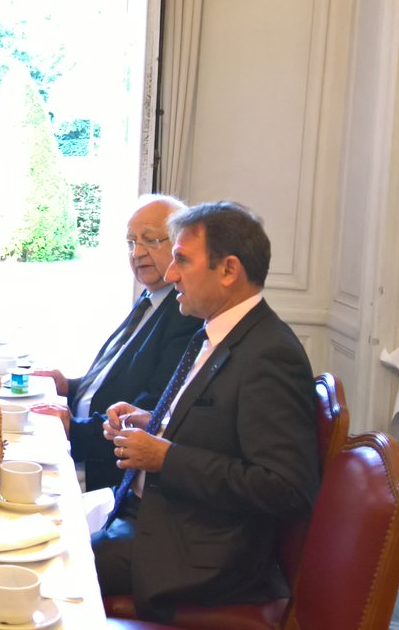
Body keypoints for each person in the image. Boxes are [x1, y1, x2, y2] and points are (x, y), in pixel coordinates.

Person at [93, 201, 319, 622]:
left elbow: (287, 488)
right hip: (158, 517)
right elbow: (218, 429)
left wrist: (165, 457)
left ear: (229, 270)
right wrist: (153, 420)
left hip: (199, 552)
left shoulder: (269, 353)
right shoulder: (215, 331)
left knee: (50, 565)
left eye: (181, 259)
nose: (170, 274)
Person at [35, 195, 203, 491]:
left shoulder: (185, 315)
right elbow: (115, 380)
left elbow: (152, 410)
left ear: (180, 247)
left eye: (150, 240)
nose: (137, 253)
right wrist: (69, 386)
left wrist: (74, 429)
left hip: (104, 469)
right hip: (84, 448)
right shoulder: (150, 299)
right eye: (131, 242)